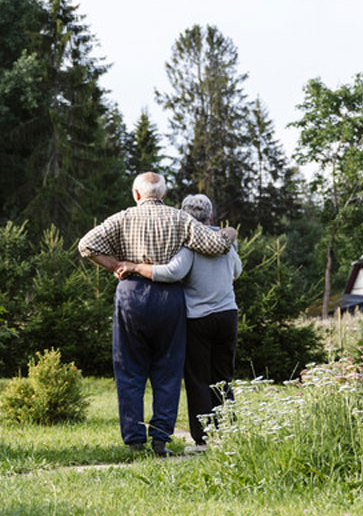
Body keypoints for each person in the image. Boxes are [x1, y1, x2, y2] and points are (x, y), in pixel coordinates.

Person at [78, 173, 237, 457]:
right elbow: (216, 246)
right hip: (169, 297)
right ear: (163, 195)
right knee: (168, 370)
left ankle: (135, 438)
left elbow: (86, 245)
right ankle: (161, 438)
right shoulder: (180, 219)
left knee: (129, 370)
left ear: (137, 195)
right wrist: (230, 232)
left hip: (131, 295)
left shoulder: (122, 218)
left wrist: (117, 264)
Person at [115, 194, 241, 450]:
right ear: (212, 217)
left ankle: (203, 439)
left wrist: (136, 267)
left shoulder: (190, 244)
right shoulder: (227, 242)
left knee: (197, 379)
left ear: (184, 220)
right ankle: (228, 432)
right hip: (228, 314)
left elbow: (173, 272)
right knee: (223, 375)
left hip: (197, 318)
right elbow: (237, 270)